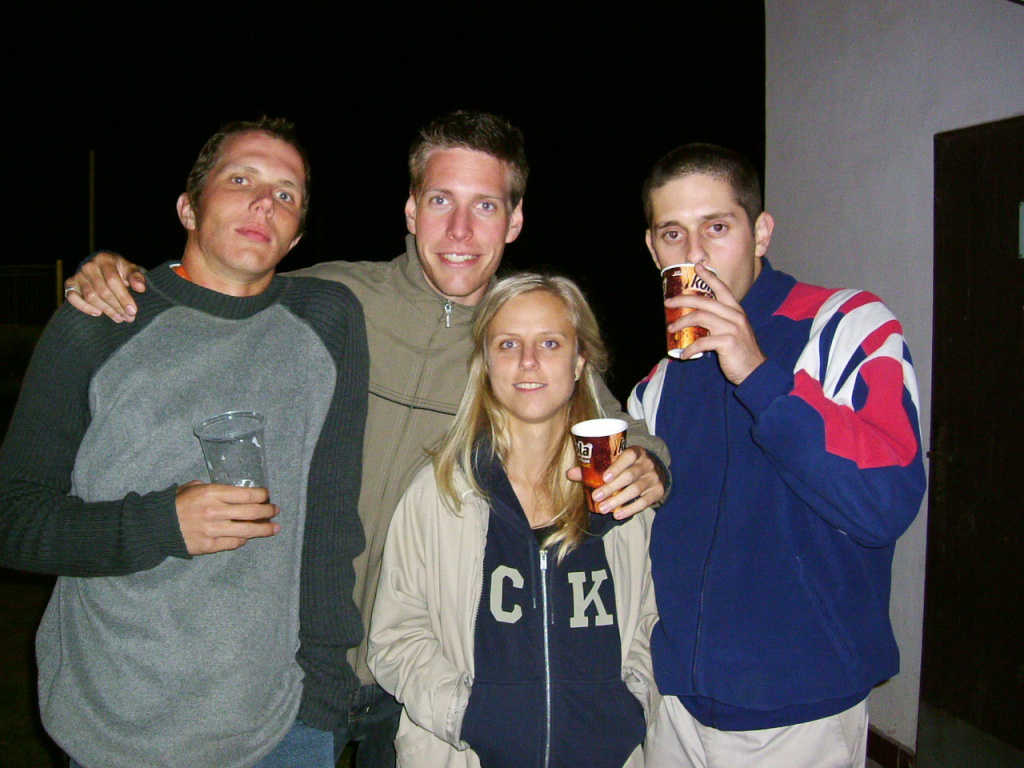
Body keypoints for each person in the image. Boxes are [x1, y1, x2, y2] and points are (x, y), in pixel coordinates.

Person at [60, 110, 669, 766]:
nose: (460, 231)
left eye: (486, 206)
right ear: (411, 210)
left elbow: (612, 424)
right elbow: (215, 284)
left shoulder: (516, 339)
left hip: (418, 673)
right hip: (294, 663)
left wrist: (650, 462)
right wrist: (116, 273)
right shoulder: (330, 300)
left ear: (514, 221)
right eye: (441, 201)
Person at [0, 118, 369, 767]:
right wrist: (160, 524)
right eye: (241, 180)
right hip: (116, 722)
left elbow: (330, 527)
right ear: (188, 207)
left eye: (286, 193)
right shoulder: (100, 320)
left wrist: (321, 705)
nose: (265, 202)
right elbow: (13, 517)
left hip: (278, 726)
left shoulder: (326, 320)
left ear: (297, 235)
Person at [627, 143, 927, 768]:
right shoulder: (655, 386)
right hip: (673, 705)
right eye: (673, 234)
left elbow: (886, 505)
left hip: (801, 712)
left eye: (717, 227)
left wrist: (757, 371)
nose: (695, 255)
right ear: (654, 251)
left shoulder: (845, 326)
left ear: (760, 233)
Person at [369, 273, 659, 768]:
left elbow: (655, 620)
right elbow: (396, 635)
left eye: (550, 342)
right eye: (508, 344)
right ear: (485, 364)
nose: (528, 360)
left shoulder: (620, 490)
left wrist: (629, 708)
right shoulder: (442, 492)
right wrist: (468, 717)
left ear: (579, 360)